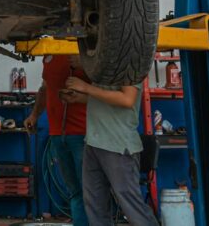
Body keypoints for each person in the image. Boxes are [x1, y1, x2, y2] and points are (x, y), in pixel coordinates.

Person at [64, 76, 159, 226]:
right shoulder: (105, 65)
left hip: (118, 144)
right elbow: (106, 99)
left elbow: (127, 99)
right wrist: (81, 97)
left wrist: (87, 88)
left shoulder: (130, 59)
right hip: (94, 142)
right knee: (95, 206)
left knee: (131, 205)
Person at [24, 55, 89, 226]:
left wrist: (86, 64)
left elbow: (105, 87)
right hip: (58, 135)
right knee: (74, 191)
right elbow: (45, 89)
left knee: (89, 190)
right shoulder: (49, 54)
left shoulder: (84, 53)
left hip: (84, 134)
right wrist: (34, 115)